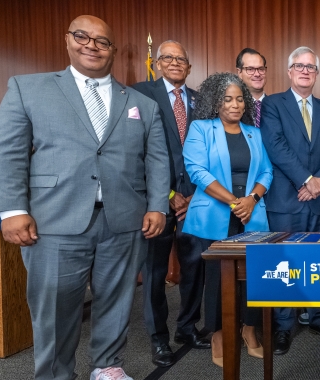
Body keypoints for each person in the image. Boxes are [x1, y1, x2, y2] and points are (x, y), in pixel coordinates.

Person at [0, 15, 168, 380]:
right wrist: (11, 209)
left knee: (118, 302)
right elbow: (8, 153)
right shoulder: (28, 88)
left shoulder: (141, 104)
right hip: (53, 220)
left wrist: (157, 206)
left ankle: (107, 366)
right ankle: (56, 374)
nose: (91, 45)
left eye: (102, 41)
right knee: (55, 307)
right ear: (67, 40)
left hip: (125, 219)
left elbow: (157, 159)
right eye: (82, 37)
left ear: (113, 50)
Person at [182, 72, 273, 367]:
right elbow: (198, 172)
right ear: (215, 101)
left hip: (251, 214)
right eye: (227, 99)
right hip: (214, 214)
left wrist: (252, 200)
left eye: (239, 99)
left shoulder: (254, 133)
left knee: (253, 278)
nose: (234, 105)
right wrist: (236, 202)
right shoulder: (201, 129)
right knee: (216, 279)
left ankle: (248, 329)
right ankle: (218, 333)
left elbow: (266, 173)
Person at [260, 46, 320, 355]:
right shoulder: (272, 104)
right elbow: (275, 145)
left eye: (311, 66)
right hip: (286, 199)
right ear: (290, 71)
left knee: (319, 262)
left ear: (317, 73)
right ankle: (283, 327)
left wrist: (318, 182)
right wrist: (307, 180)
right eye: (300, 65)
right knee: (283, 264)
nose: (306, 70)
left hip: (318, 200)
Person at [132, 40, 209, 368]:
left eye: (182, 59)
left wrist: (193, 195)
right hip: (156, 201)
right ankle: (158, 337)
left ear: (189, 68)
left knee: (195, 266)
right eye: (169, 58)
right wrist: (166, 194)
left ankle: (187, 327)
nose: (176, 63)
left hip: (194, 199)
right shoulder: (138, 94)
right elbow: (134, 150)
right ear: (158, 64)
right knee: (156, 271)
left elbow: (208, 148)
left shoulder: (200, 100)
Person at [236, 48, 268, 127]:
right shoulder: (233, 107)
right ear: (239, 72)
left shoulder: (277, 106)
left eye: (261, 69)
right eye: (250, 69)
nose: (257, 74)